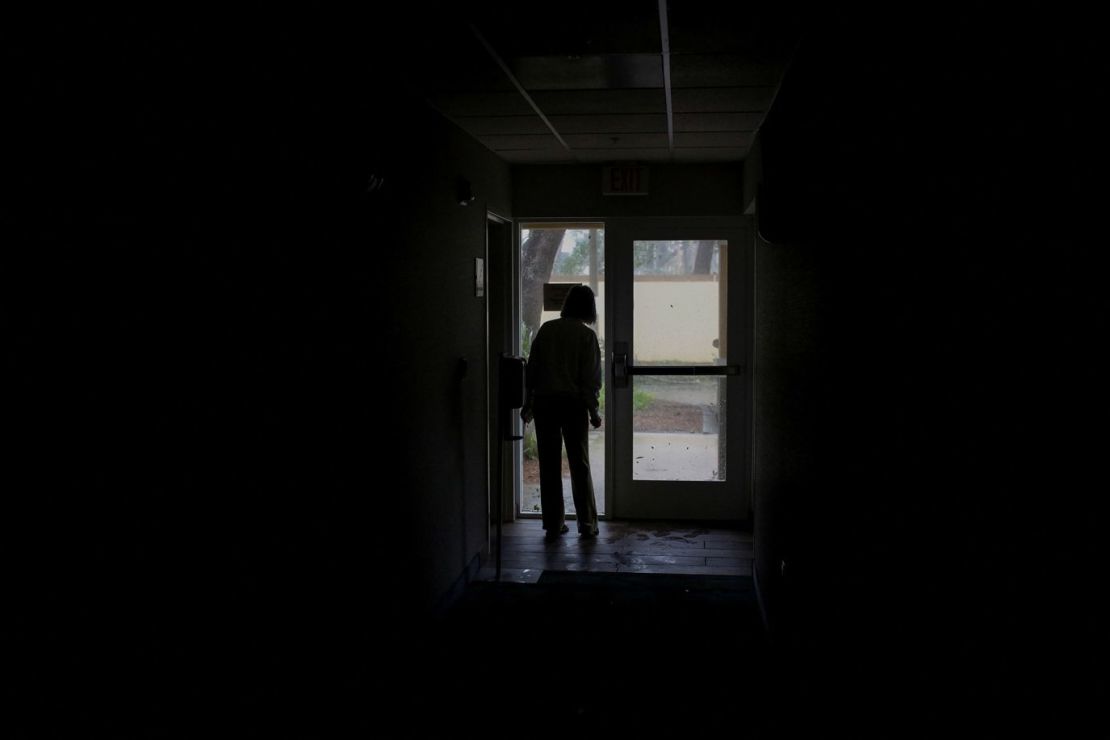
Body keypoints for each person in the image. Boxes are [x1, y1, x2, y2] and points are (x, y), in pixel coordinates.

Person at [521, 284, 602, 540]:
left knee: (549, 464)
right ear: (589, 308)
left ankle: (554, 524)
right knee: (580, 463)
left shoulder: (547, 330)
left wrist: (528, 404)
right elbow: (590, 381)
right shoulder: (586, 336)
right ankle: (587, 523)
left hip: (545, 403)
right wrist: (593, 410)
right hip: (573, 405)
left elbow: (532, 371)